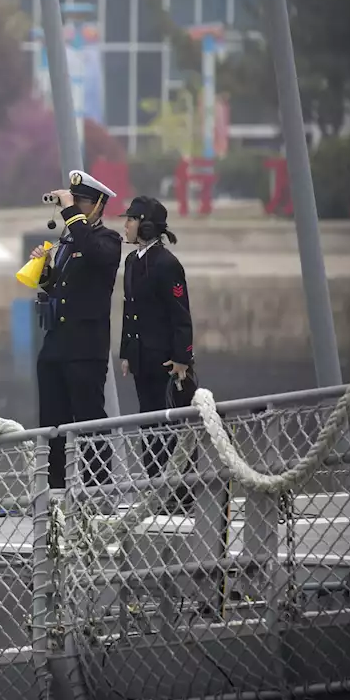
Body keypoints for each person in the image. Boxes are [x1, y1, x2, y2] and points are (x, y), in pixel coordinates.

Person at [30, 170, 122, 490]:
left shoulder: (107, 240)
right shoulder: (68, 242)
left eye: (82, 201)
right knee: (51, 424)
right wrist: (44, 272)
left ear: (98, 205)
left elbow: (94, 251)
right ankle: (54, 493)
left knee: (89, 421)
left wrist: (69, 212)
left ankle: (98, 491)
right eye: (73, 201)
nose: (76, 207)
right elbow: (59, 288)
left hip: (85, 348)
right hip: (57, 343)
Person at [118, 196, 197, 499]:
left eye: (130, 219)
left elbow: (181, 314)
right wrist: (127, 352)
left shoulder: (167, 264)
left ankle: (182, 496)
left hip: (166, 362)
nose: (125, 225)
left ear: (145, 225)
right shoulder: (131, 261)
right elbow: (130, 310)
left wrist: (182, 358)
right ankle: (156, 491)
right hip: (142, 359)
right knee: (148, 425)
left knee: (172, 429)